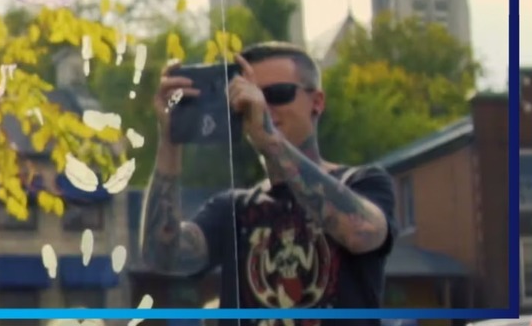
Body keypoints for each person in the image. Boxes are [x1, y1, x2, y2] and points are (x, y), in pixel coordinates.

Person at [137, 42, 397, 326]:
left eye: (277, 94)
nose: (260, 105)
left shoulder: (362, 183)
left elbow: (360, 233)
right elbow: (162, 255)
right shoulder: (233, 208)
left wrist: (269, 139)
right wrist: (170, 138)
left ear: (317, 102)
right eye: (249, 96)